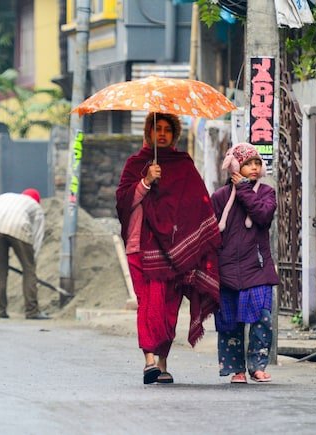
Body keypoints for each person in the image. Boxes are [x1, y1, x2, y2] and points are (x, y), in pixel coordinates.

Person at [116, 112, 221, 384]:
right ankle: (149, 359)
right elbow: (123, 203)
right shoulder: (136, 164)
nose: (161, 134)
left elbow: (197, 203)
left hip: (175, 253)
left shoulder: (183, 165)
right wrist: (146, 181)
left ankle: (163, 363)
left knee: (169, 306)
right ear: (147, 133)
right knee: (148, 303)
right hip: (140, 247)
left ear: (174, 135)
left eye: (167, 130)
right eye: (156, 129)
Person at [210, 142, 280, 383]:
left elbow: (263, 215)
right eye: (247, 163)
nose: (253, 167)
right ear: (235, 166)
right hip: (226, 269)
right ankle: (237, 370)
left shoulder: (266, 193)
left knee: (262, 317)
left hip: (258, 267)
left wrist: (244, 190)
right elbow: (210, 232)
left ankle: (258, 365)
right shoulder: (219, 197)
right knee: (230, 322)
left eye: (257, 163)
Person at [0, 188, 49, 320]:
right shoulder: (36, 207)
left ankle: (0, 310)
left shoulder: (3, 197)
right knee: (28, 271)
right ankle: (32, 311)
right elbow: (37, 236)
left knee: (1, 272)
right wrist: (32, 260)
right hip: (19, 227)